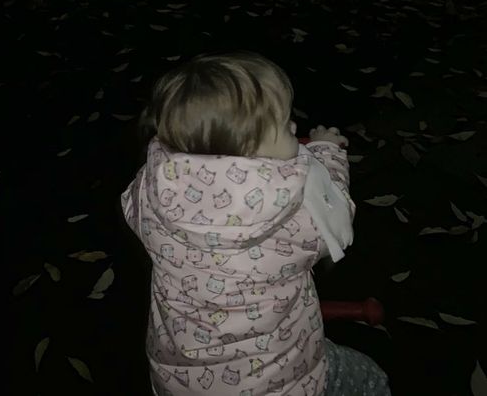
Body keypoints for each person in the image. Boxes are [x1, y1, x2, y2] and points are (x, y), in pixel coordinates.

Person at [121, 52, 391, 396]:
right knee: (369, 378)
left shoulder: (149, 190)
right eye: (282, 125)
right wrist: (327, 152)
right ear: (249, 154)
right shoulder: (292, 219)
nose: (293, 127)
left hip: (182, 383)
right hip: (280, 384)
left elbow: (131, 203)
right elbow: (336, 218)